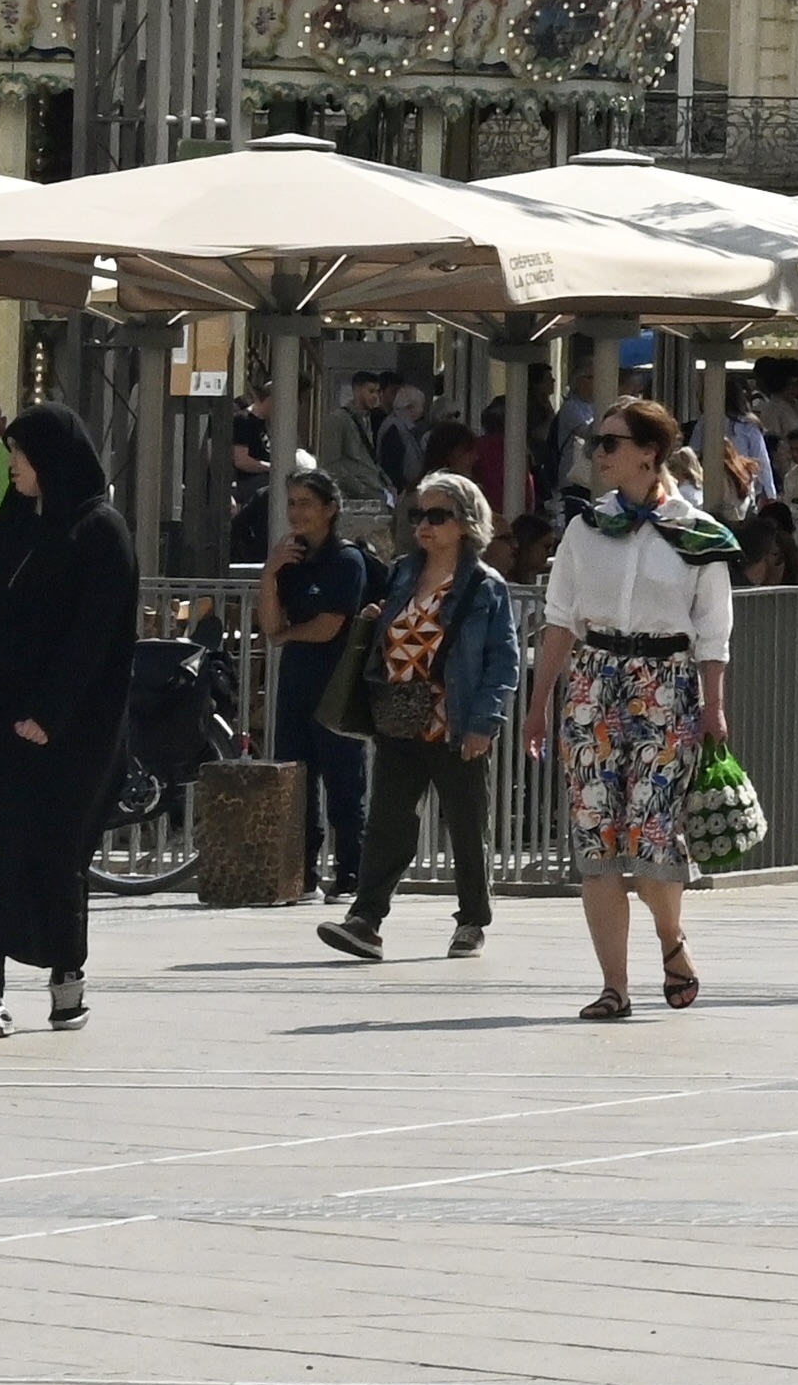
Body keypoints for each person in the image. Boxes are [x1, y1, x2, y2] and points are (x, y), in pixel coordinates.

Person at [0, 408, 131, 1046]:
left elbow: (93, 636)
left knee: (54, 853)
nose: (11, 465)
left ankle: (67, 978)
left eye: (21, 453)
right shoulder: (13, 530)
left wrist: (49, 712)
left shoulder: (98, 531)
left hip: (65, 736)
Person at [542, 401, 731, 1022]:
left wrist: (714, 708)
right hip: (593, 682)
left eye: (610, 443)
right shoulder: (585, 528)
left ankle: (671, 940)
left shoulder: (698, 533)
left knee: (652, 835)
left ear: (649, 453)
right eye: (596, 442)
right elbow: (559, 620)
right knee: (597, 839)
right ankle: (614, 987)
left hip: (667, 686)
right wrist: (538, 705)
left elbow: (713, 634)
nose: (598, 453)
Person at [315, 476, 519, 963]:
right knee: (388, 822)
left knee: (466, 826)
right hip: (399, 718)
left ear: (465, 523)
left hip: (455, 721)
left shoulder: (485, 586)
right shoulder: (403, 572)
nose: (424, 525)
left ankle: (472, 920)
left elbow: (502, 660)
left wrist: (484, 722)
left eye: (437, 516)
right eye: (418, 515)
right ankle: (366, 919)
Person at [261, 469, 384, 902]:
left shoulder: (346, 560)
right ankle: (302, 873)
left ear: (330, 509)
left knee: (344, 780)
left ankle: (351, 873)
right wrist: (270, 574)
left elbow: (329, 626)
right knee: (295, 778)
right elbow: (270, 624)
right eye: (292, 503)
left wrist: (287, 635)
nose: (297, 513)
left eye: (306, 503)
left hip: (337, 684)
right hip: (296, 683)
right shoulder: (291, 561)